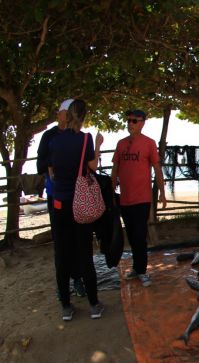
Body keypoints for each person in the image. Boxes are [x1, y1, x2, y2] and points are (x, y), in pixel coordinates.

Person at [47, 99, 104, 321]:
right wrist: (98, 144)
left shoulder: (54, 140)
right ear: (84, 116)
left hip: (59, 203)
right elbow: (92, 167)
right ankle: (93, 305)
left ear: (68, 115)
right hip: (79, 204)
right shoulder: (85, 139)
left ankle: (66, 307)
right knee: (84, 254)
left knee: (62, 255)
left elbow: (51, 170)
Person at [37, 99, 93, 298]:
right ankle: (63, 284)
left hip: (77, 196)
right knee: (61, 243)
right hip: (56, 195)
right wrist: (53, 166)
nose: (61, 115)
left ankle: (77, 279)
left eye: (64, 112)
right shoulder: (50, 136)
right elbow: (40, 164)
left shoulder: (79, 136)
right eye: (61, 112)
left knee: (78, 241)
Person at [111, 109, 166, 287]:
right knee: (131, 235)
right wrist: (111, 192)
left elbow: (157, 169)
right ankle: (136, 268)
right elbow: (115, 169)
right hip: (124, 199)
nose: (130, 124)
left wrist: (163, 193)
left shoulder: (149, 143)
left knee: (140, 235)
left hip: (142, 198)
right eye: (128, 120)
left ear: (142, 123)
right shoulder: (120, 144)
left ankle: (141, 270)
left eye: (134, 121)